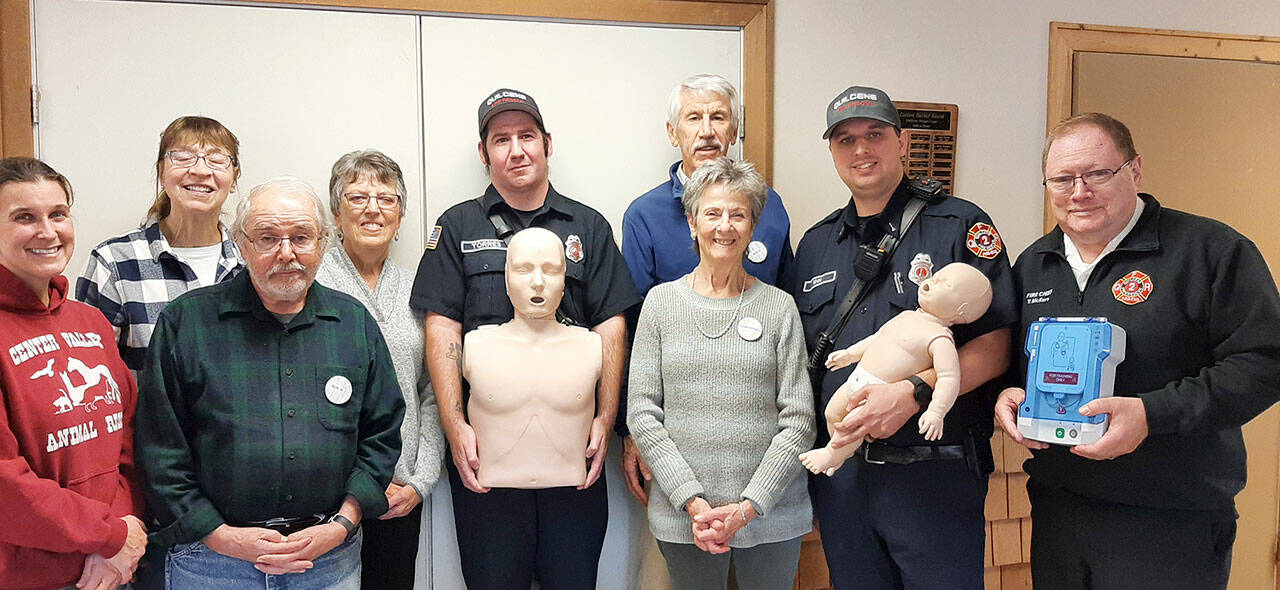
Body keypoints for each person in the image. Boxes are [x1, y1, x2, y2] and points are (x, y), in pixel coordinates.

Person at [993, 113, 1280, 590]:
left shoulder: (1210, 251)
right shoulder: (1034, 264)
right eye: (1062, 179)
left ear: (1135, 170)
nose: (1079, 192)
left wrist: (1151, 414)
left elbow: (1266, 361)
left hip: (1170, 521)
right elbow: (1012, 362)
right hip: (1059, 511)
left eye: (1097, 173)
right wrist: (1007, 394)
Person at [787, 86, 1016, 590]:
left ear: (903, 142)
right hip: (843, 479)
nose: (861, 149)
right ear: (832, 151)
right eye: (845, 139)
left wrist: (914, 393)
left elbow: (995, 346)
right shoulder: (816, 244)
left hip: (933, 476)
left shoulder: (959, 224)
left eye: (874, 134)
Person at [409, 87, 639, 588]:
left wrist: (606, 417)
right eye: (501, 139)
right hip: (487, 457)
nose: (516, 150)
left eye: (527, 136)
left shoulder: (588, 226)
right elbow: (442, 328)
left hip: (573, 454)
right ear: (484, 152)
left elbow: (611, 325)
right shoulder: (457, 225)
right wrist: (453, 424)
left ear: (547, 143)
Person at [135, 176, 405, 589]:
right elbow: (159, 448)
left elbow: (381, 434)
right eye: (267, 238)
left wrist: (342, 523)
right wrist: (219, 535)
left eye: (302, 237)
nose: (287, 253)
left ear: (323, 243)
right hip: (212, 563)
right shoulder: (186, 324)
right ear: (240, 244)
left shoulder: (354, 324)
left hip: (328, 560)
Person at [628, 157, 815, 589]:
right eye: (712, 213)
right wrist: (693, 503)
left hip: (772, 517)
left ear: (752, 227)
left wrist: (749, 507)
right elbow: (642, 413)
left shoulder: (780, 307)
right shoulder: (660, 304)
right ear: (692, 223)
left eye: (738, 215)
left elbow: (800, 419)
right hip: (685, 519)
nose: (724, 226)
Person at [619, 73, 794, 506]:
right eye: (693, 117)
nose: (707, 131)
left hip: (760, 437)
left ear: (734, 131)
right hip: (677, 440)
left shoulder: (769, 207)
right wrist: (631, 430)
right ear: (672, 132)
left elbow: (788, 309)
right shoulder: (644, 215)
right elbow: (631, 328)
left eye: (718, 117)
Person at [0, 157, 146, 590]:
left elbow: (127, 440)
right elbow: (6, 484)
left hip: (112, 567)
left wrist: (121, 532)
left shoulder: (90, 322)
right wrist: (108, 535)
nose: (47, 232)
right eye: (24, 217)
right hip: (30, 578)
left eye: (58, 214)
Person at [315, 150, 444, 589]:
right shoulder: (312, 282)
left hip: (399, 495)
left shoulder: (419, 289)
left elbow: (431, 390)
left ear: (400, 215)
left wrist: (420, 481)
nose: (373, 209)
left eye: (386, 199)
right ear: (336, 214)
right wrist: (358, 485)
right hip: (325, 496)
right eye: (357, 197)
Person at [77, 115, 245, 372]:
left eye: (216, 159)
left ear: (234, 178)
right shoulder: (114, 262)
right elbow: (92, 373)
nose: (200, 171)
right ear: (161, 173)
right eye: (183, 157)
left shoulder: (252, 261)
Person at [801, 262, 993, 476]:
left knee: (851, 425)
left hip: (877, 395)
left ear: (961, 311)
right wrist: (850, 354)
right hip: (857, 379)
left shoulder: (939, 338)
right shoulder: (906, 316)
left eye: (945, 284)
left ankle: (832, 453)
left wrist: (937, 411)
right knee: (832, 413)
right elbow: (877, 338)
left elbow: (949, 378)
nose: (932, 281)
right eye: (937, 276)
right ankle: (840, 453)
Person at [464, 228, 602, 491]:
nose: (538, 282)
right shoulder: (477, 345)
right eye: (524, 270)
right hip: (493, 485)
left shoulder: (590, 345)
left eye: (550, 270)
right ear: (507, 278)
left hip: (571, 485)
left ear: (564, 279)